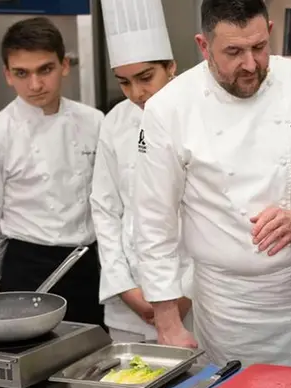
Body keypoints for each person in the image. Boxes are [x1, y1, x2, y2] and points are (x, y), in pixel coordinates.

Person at [131, 0, 291, 368]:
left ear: (269, 31)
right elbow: (155, 218)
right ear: (203, 46)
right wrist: (168, 322)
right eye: (233, 52)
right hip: (228, 310)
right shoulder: (169, 108)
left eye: (259, 47)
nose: (250, 64)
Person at [0, 17, 106, 328]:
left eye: (45, 70)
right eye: (22, 73)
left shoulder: (94, 122)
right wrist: (7, 268)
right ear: (7, 75)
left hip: (88, 266)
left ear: (64, 65)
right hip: (28, 269)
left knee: (92, 361)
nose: (35, 85)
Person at [90, 0, 194, 343]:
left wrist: (184, 294)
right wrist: (125, 288)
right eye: (124, 82)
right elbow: (105, 209)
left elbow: (218, 216)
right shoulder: (115, 122)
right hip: (129, 303)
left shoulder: (200, 116)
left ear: (171, 66)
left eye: (146, 78)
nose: (137, 93)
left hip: (194, 300)